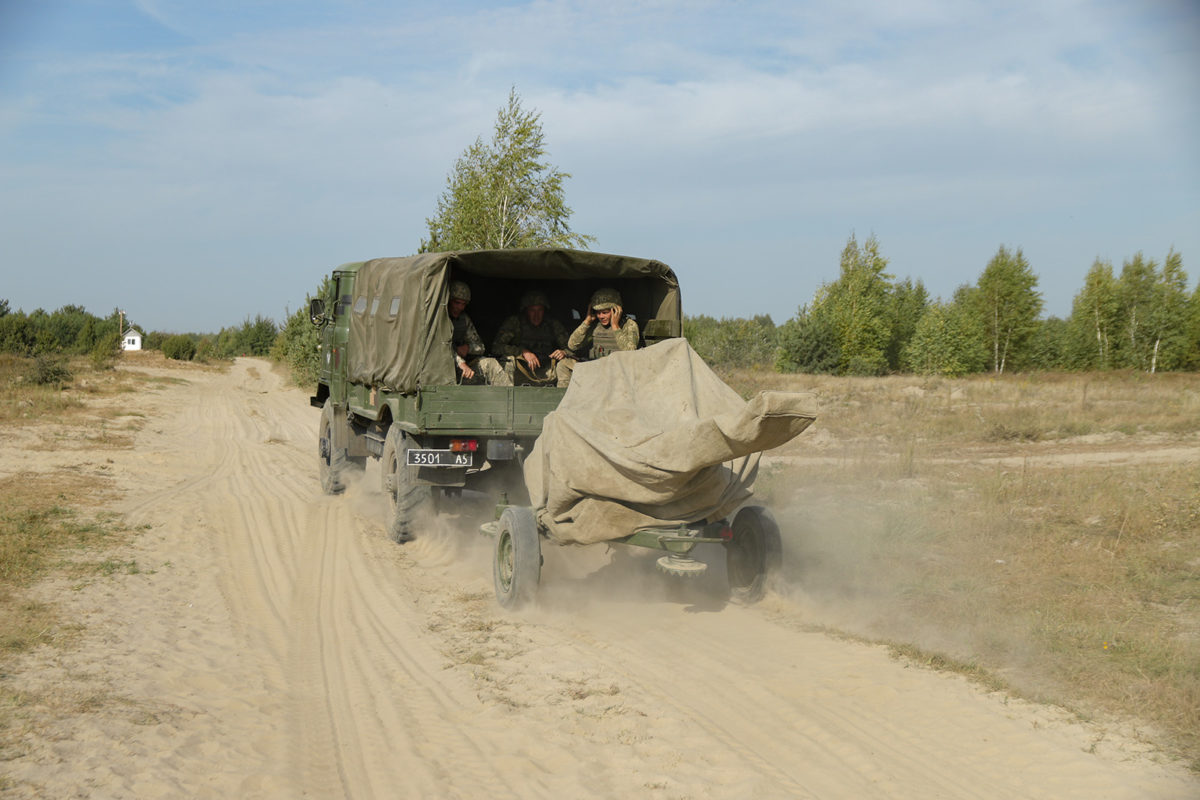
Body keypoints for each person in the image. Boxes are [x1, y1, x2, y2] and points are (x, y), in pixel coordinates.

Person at [492, 289, 572, 386]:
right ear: (526, 311)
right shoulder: (515, 323)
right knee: (507, 362)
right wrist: (523, 352)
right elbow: (496, 348)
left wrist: (564, 352)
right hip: (520, 372)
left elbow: (572, 349)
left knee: (567, 363)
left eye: (540, 310)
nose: (536, 316)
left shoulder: (553, 325)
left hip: (548, 372)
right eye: (532, 310)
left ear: (544, 310)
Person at [447, 280, 509, 386]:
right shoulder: (439, 319)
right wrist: (460, 362)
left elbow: (480, 347)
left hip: (462, 372)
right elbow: (439, 347)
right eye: (457, 302)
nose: (460, 308)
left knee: (491, 364)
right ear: (449, 300)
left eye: (463, 304)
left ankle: (509, 401)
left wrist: (468, 348)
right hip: (443, 373)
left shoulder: (463, 320)